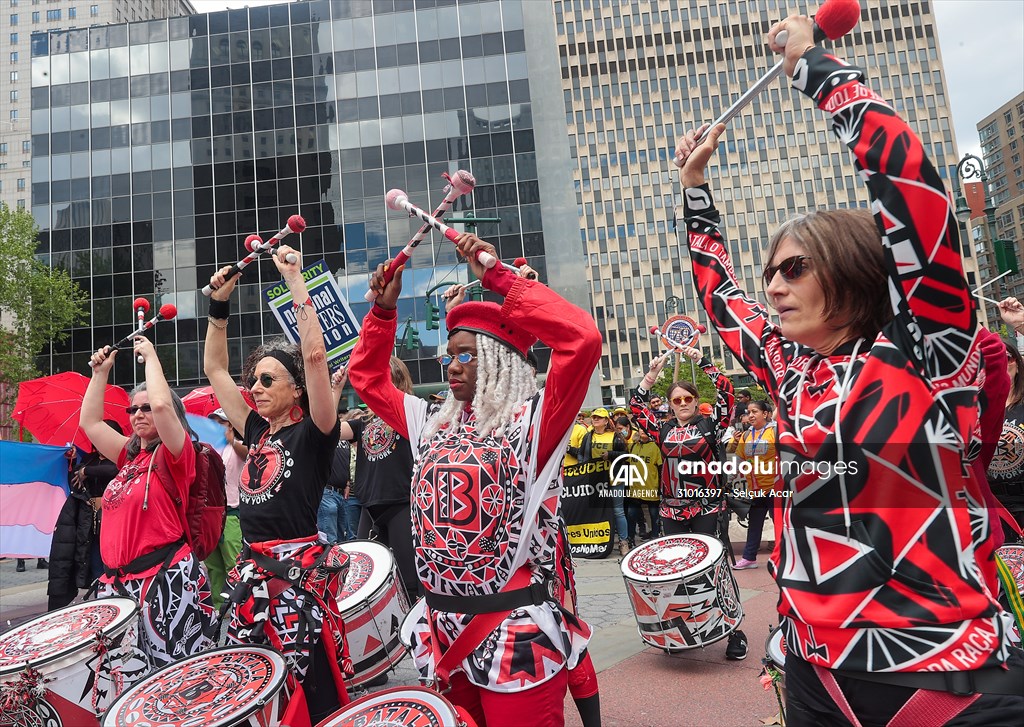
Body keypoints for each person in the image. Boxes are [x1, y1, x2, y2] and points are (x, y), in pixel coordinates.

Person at [675, 16, 1024, 723]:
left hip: (945, 679)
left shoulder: (928, 348)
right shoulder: (788, 368)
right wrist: (694, 187)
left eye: (795, 268)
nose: (773, 286)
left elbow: (911, 187)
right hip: (813, 678)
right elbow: (719, 295)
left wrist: (817, 69)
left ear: (854, 269)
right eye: (771, 271)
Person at [349, 231, 601, 727]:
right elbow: (369, 381)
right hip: (442, 629)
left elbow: (582, 340)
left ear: (499, 358)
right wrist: (382, 313)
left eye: (465, 353)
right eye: (449, 354)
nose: (450, 364)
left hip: (511, 631)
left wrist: (496, 274)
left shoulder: (534, 423)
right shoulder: (431, 422)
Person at [204, 244, 350, 724]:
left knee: (310, 683)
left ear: (298, 390)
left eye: (270, 379)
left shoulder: (315, 433)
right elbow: (215, 370)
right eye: (256, 380)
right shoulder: (254, 429)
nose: (258, 387)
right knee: (254, 684)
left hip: (297, 579)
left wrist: (294, 280)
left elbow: (313, 353)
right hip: (252, 574)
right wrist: (218, 308)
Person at [82, 338, 215, 672]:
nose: (138, 414)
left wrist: (152, 356)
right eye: (132, 409)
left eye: (145, 408)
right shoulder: (129, 456)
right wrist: (100, 373)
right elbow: (91, 424)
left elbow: (162, 407)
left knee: (176, 678)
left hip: (164, 579)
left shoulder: (177, 454)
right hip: (118, 585)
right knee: (124, 680)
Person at [630, 346, 745, 661]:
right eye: (676, 400)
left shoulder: (711, 426)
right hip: (671, 510)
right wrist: (651, 377)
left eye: (687, 399)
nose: (682, 404)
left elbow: (728, 395)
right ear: (670, 403)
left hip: (706, 507)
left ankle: (735, 630)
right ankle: (681, 631)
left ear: (696, 401)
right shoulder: (662, 428)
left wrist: (702, 361)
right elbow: (636, 406)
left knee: (715, 568)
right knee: (674, 571)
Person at [334, 358, 418, 598]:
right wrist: (335, 390)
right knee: (365, 577)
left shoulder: (408, 411)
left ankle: (413, 629)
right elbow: (329, 431)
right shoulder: (363, 422)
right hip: (369, 507)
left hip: (402, 502)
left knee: (408, 579)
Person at [47, 429, 120, 610]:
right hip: (91, 527)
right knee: (96, 569)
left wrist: (86, 471)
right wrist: (73, 462)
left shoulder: (121, 460)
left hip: (115, 526)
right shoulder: (89, 459)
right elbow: (74, 482)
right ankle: (101, 608)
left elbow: (113, 470)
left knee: (113, 570)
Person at [729, 400, 780, 570]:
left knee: (780, 525)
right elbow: (739, 458)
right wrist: (730, 476)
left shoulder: (775, 431)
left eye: (755, 411)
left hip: (775, 489)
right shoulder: (745, 436)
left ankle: (785, 558)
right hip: (756, 490)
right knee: (754, 524)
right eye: (748, 412)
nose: (750, 415)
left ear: (765, 414)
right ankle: (749, 558)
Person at [204, 408, 245, 612]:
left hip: (232, 512)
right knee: (213, 565)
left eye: (220, 422)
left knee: (233, 562)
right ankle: (220, 606)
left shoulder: (236, 447)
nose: (216, 426)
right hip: (210, 513)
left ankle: (239, 605)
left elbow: (247, 454)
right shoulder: (209, 448)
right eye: (213, 422)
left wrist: (232, 440)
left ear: (230, 424)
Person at [574, 407, 630, 556]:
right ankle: (599, 541)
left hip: (614, 479)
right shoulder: (588, 436)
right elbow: (581, 456)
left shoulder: (615, 436)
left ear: (606, 421)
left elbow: (626, 455)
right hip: (595, 482)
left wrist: (611, 454)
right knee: (597, 512)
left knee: (618, 511)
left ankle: (624, 542)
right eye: (594, 417)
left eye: (599, 417)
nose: (595, 419)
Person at [987, 338, 1023, 537]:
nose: (1001, 362)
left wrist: (1020, 323)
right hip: (994, 507)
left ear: (1017, 363)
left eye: (1007, 358)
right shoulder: (976, 407)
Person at [626, 426, 662, 543]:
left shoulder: (655, 447)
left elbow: (660, 468)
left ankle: (655, 537)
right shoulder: (633, 446)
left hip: (651, 487)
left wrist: (661, 487)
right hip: (635, 488)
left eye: (645, 429)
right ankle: (630, 538)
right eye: (641, 429)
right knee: (631, 516)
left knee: (654, 515)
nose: (643, 431)